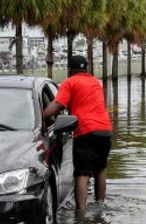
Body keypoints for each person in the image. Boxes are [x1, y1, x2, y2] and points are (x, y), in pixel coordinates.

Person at [42, 55, 113, 210]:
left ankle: (80, 213)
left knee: (82, 173)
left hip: (86, 131)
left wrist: (41, 116)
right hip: (105, 130)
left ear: (70, 70)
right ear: (86, 68)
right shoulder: (96, 82)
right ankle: (100, 205)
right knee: (100, 169)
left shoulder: (70, 82)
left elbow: (57, 105)